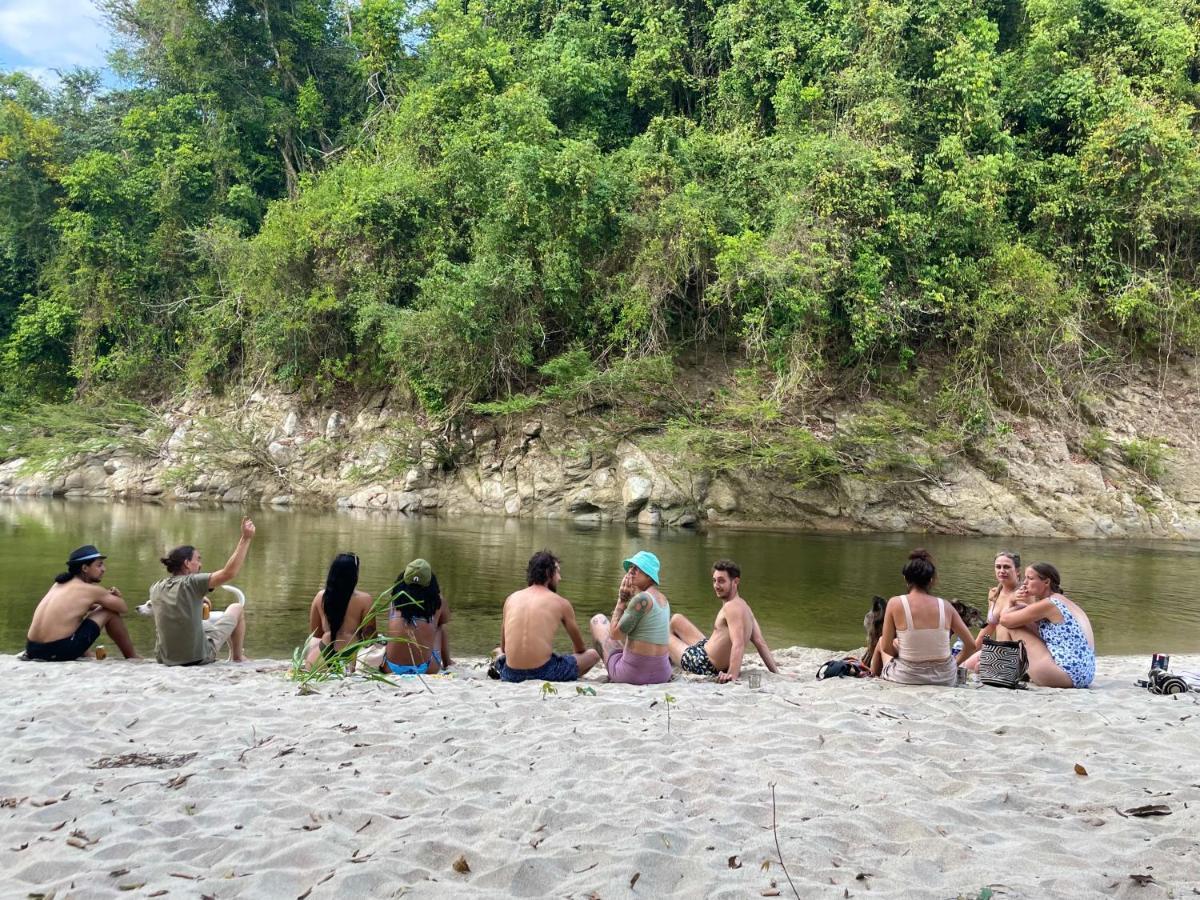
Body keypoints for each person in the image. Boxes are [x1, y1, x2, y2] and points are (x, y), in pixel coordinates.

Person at [151, 517, 255, 666]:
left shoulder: (156, 587)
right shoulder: (192, 582)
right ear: (187, 563)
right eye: (198, 559)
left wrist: (200, 599)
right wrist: (245, 539)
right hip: (196, 657)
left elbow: (177, 611)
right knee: (236, 608)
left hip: (165, 659)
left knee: (204, 625)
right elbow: (229, 573)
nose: (200, 564)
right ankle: (237, 657)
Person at [869, 549, 977, 685]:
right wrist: (954, 664)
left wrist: (903, 653)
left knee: (880, 641)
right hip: (945, 678)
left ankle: (872, 678)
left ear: (905, 578)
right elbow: (971, 645)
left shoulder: (895, 603)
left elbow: (886, 647)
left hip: (907, 677)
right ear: (931, 580)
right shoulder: (946, 606)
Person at [495, 550, 600, 683]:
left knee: (497, 651)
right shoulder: (561, 603)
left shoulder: (511, 599)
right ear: (548, 573)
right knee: (593, 654)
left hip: (510, 674)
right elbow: (580, 649)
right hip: (544, 672)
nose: (560, 578)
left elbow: (504, 649)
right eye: (557, 572)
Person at [668, 559, 779, 682]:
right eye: (714, 580)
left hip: (703, 664)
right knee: (676, 619)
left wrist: (732, 674)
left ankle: (664, 662)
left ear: (735, 581)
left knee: (664, 635)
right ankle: (669, 658)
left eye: (721, 581)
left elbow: (738, 643)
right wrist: (777, 673)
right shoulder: (744, 606)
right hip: (705, 649)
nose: (716, 585)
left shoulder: (731, 607)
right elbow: (759, 642)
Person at [25, 545, 139, 661]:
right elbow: (122, 608)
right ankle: (132, 657)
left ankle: (86, 654)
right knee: (109, 611)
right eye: (99, 565)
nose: (104, 569)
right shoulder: (91, 590)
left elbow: (75, 608)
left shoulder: (58, 585)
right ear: (84, 568)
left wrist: (96, 605)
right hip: (57, 651)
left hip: (32, 650)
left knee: (76, 615)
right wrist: (118, 596)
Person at [997, 563, 1095, 688]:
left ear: (1047, 582)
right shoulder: (1063, 602)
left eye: (1030, 579)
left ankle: (1004, 673)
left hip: (1063, 674)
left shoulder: (1049, 604)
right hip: (1084, 675)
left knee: (1008, 626)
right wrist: (1017, 605)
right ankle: (1014, 671)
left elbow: (1004, 620)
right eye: (1025, 578)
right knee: (1019, 620)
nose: (1024, 583)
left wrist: (1011, 600)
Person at [588, 550, 672, 685]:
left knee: (597, 620)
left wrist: (621, 600)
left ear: (649, 575)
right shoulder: (664, 600)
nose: (631, 571)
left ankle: (612, 669)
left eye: (636, 568)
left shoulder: (642, 599)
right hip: (663, 674)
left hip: (633, 676)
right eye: (631, 568)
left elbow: (615, 635)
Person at [303, 553, 376, 671]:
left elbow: (315, 634)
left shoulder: (320, 596)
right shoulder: (365, 599)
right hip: (351, 652)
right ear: (354, 575)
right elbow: (370, 637)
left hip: (323, 652)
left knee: (313, 643)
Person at [383, 558, 449, 676]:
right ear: (430, 581)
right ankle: (448, 662)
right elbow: (445, 620)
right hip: (425, 668)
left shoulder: (394, 600)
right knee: (440, 627)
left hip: (390, 667)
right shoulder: (438, 602)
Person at [961, 550, 1022, 672]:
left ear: (1017, 570)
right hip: (997, 649)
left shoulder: (1023, 594)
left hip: (1018, 652)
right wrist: (972, 649)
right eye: (998, 567)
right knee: (962, 667)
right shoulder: (994, 593)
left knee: (979, 668)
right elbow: (989, 627)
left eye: (1007, 567)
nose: (1002, 571)